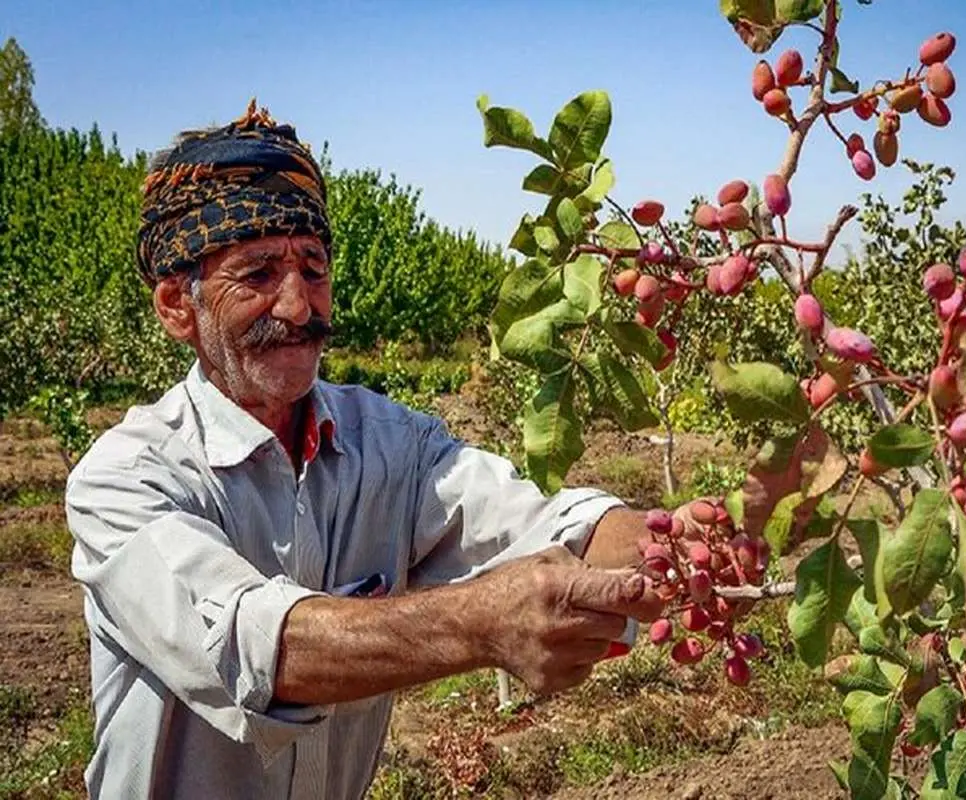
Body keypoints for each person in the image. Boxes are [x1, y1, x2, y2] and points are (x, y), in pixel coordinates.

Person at [63, 99, 668, 799]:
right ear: (177, 306)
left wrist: (665, 548)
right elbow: (256, 648)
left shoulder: (391, 443)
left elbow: (544, 522)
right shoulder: (125, 478)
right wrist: (479, 623)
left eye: (313, 270)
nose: (299, 307)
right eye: (258, 275)